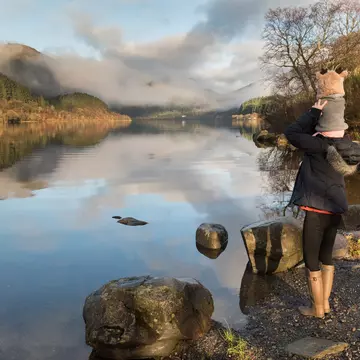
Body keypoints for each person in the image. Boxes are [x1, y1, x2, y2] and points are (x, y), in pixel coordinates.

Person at [284, 99, 360, 319]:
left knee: (311, 259)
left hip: (316, 210)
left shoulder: (317, 145)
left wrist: (313, 112)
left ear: (323, 122)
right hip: (336, 208)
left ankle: (316, 309)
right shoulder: (349, 145)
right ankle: (324, 305)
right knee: (326, 256)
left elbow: (292, 132)